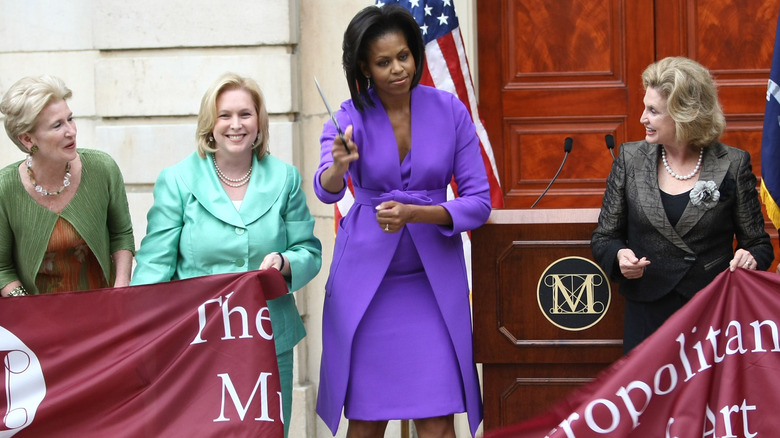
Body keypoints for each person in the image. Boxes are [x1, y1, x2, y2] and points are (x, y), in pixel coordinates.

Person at [313, 5, 492, 438]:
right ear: (364, 67)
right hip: (366, 288)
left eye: (404, 56)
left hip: (432, 287)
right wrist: (339, 166)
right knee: (368, 423)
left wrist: (418, 214)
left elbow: (479, 202)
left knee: (437, 422)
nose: (398, 69)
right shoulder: (347, 118)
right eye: (383, 62)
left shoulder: (450, 111)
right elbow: (326, 188)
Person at [130, 73, 322, 437]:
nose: (236, 125)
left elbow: (309, 251)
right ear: (210, 124)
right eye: (225, 115)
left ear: (259, 122)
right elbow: (154, 265)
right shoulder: (177, 180)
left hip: (268, 338)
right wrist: (139, 332)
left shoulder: (287, 178)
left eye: (245, 114)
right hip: (197, 340)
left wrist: (284, 263)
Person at [591, 57, 774, 354]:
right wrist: (620, 257)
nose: (642, 118)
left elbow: (759, 245)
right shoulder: (629, 159)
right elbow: (604, 237)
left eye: (653, 110)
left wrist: (750, 257)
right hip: (647, 315)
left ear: (684, 114)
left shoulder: (732, 164)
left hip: (712, 315)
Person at [0, 75, 135, 297]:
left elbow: (121, 234)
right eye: (57, 125)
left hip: (104, 313)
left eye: (70, 119)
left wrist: (121, 289)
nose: (71, 131)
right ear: (27, 139)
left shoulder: (102, 168)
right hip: (37, 322)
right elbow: (2, 268)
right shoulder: (5, 189)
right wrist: (26, 308)